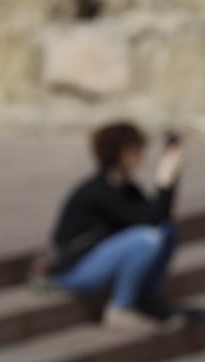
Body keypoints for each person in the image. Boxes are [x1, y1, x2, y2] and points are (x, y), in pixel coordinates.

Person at [45, 121, 185, 332]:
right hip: (73, 270)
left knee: (167, 233)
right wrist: (165, 179)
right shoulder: (97, 192)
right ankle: (121, 308)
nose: (140, 155)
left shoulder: (126, 187)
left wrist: (170, 176)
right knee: (147, 239)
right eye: (134, 150)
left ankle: (148, 300)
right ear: (116, 153)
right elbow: (149, 222)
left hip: (99, 261)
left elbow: (158, 217)